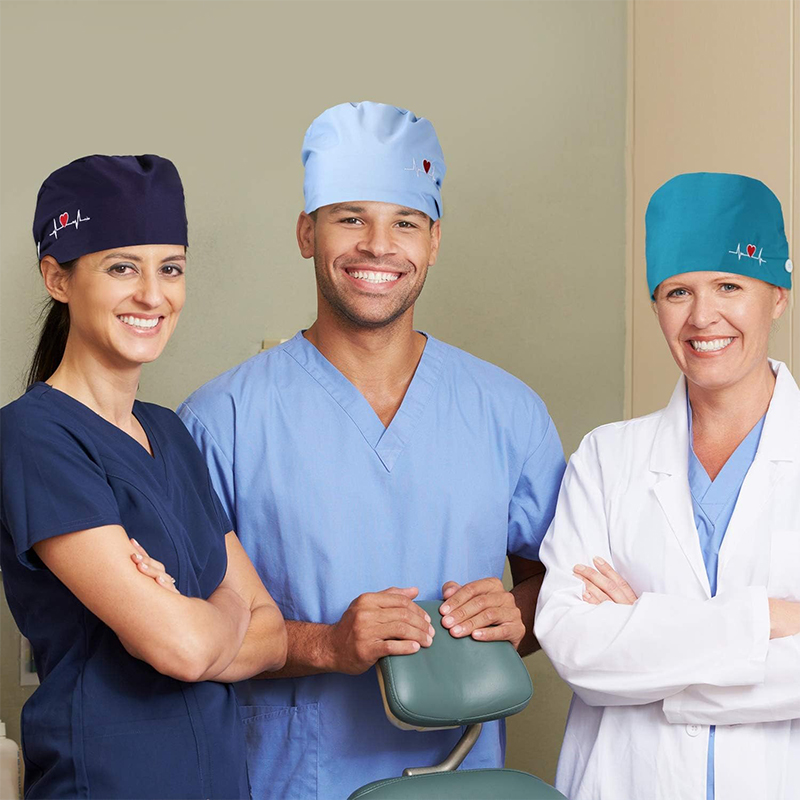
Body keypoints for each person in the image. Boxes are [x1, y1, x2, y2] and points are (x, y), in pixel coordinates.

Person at [178, 101, 566, 799]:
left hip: (464, 780)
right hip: (288, 781)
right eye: (350, 218)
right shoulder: (221, 421)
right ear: (307, 232)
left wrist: (517, 616)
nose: (378, 246)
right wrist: (326, 644)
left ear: (434, 241)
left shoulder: (508, 412)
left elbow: (557, 586)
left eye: (405, 222)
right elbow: (184, 631)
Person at [0, 155, 287, 799]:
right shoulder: (34, 436)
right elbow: (186, 648)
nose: (153, 295)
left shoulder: (171, 432)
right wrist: (222, 609)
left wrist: (192, 618)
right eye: (122, 267)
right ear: (57, 277)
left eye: (171, 268)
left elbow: (272, 637)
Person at [535, 172, 799, 800]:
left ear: (778, 296)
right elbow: (575, 648)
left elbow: (612, 656)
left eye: (729, 285)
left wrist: (643, 637)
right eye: (678, 292)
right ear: (656, 306)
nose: (702, 317)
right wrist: (766, 618)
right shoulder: (606, 458)